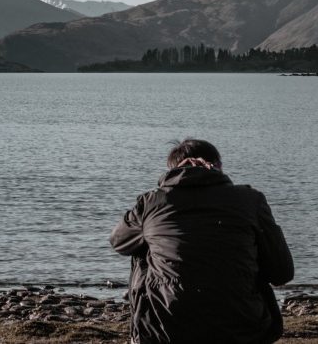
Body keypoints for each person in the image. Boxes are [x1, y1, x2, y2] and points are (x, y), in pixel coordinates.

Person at [110, 139, 293, 344]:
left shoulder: (152, 202)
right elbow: (282, 272)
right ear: (219, 166)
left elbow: (118, 241)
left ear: (173, 169)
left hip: (165, 328)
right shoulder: (251, 200)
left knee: (142, 245)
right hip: (242, 325)